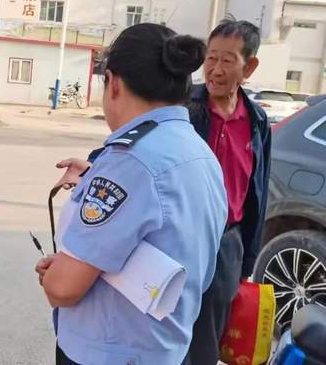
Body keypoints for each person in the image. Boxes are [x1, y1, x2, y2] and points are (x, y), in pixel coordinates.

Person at [36, 23, 228, 365]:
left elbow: (63, 288)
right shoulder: (199, 152)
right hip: (165, 348)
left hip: (110, 353)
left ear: (113, 83)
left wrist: (56, 275)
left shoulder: (129, 160)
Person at [184, 19, 271, 364]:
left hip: (226, 245)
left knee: (207, 341)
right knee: (161, 332)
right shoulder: (182, 106)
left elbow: (257, 191)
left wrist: (247, 259)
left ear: (249, 67)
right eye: (211, 58)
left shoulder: (257, 121)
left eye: (227, 60)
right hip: (178, 237)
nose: (215, 70)